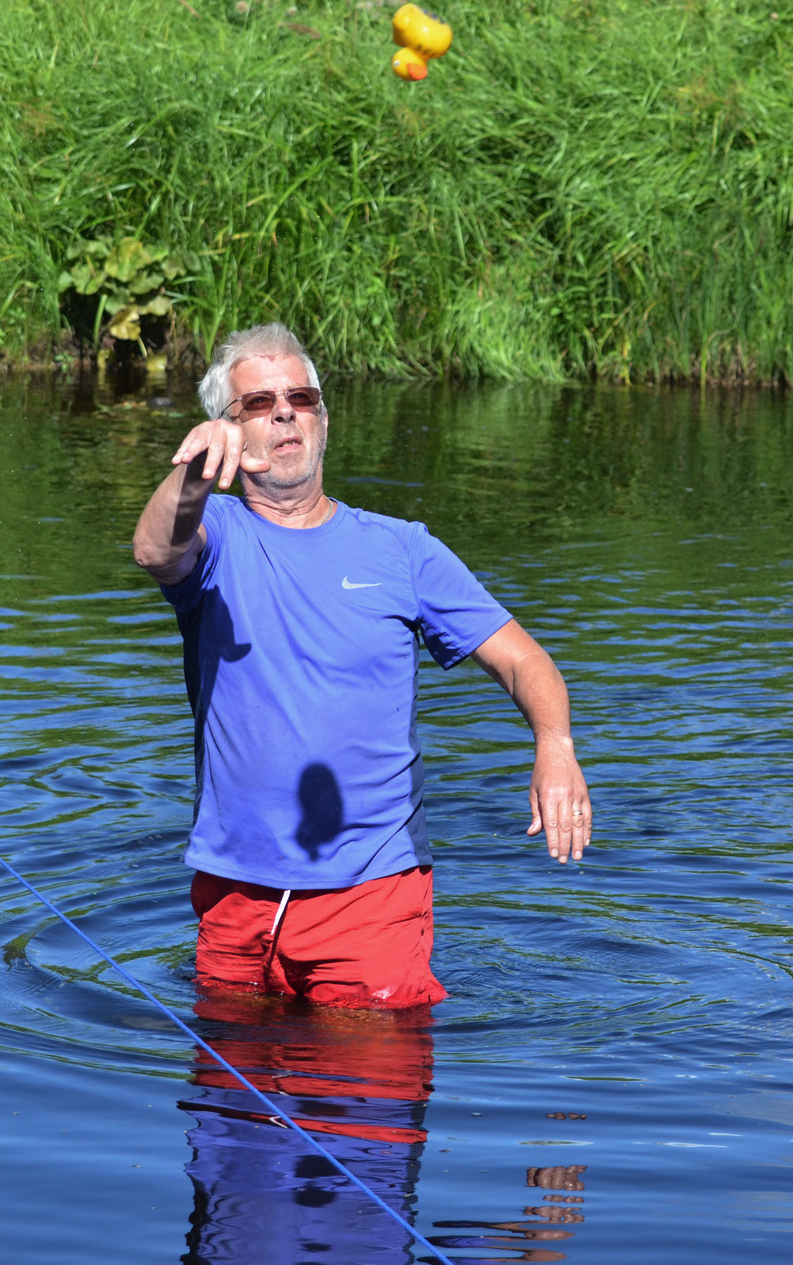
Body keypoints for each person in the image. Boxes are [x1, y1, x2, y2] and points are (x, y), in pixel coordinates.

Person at [132, 321, 591, 1010]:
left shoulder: (403, 550)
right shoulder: (217, 534)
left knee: (364, 1097)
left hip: (369, 893)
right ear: (226, 429)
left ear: (323, 419)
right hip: (233, 893)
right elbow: (156, 549)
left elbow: (524, 660)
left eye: (302, 396)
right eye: (258, 402)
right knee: (227, 1107)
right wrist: (191, 476)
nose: (285, 411)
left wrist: (554, 746)